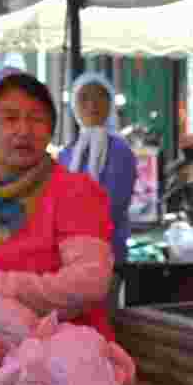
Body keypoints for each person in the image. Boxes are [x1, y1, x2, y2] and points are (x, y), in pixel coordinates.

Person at [0, 68, 116, 340]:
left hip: (62, 357)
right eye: (9, 118)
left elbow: (89, 282)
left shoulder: (74, 192)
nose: (24, 130)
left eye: (37, 119)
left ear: (50, 131)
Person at [57, 72, 137, 268]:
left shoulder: (120, 151)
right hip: (68, 254)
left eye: (100, 97)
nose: (92, 105)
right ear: (74, 105)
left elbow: (116, 202)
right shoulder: (67, 153)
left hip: (109, 250)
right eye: (84, 98)